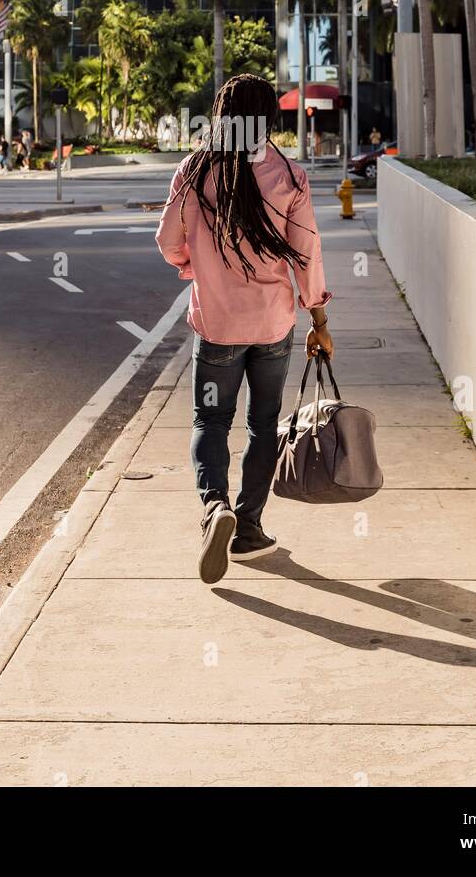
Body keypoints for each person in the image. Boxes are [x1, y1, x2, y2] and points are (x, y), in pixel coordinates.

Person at [156, 73, 333, 586]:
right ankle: (250, 526)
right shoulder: (290, 176)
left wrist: (198, 268)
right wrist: (318, 318)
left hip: (216, 328)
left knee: (210, 422)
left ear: (219, 114)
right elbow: (307, 255)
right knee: (263, 425)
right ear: (271, 119)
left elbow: (168, 242)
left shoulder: (193, 172)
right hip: (273, 327)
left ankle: (215, 509)